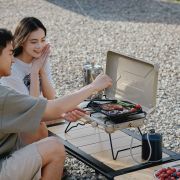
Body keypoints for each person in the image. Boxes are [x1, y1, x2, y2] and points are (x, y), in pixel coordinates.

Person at [0, 28, 112, 180]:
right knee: (55, 147)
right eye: (9, 53)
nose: (12, 59)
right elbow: (51, 107)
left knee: (36, 128)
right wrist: (93, 87)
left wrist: (62, 113)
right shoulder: (3, 94)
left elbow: (38, 111)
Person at [0, 17, 86, 145]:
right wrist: (34, 72)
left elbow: (50, 96)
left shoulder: (40, 58)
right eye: (34, 41)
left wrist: (42, 71)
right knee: (41, 126)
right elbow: (31, 109)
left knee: (76, 111)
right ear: (22, 41)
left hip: (41, 113)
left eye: (43, 40)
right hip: (23, 120)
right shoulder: (11, 67)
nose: (39, 46)